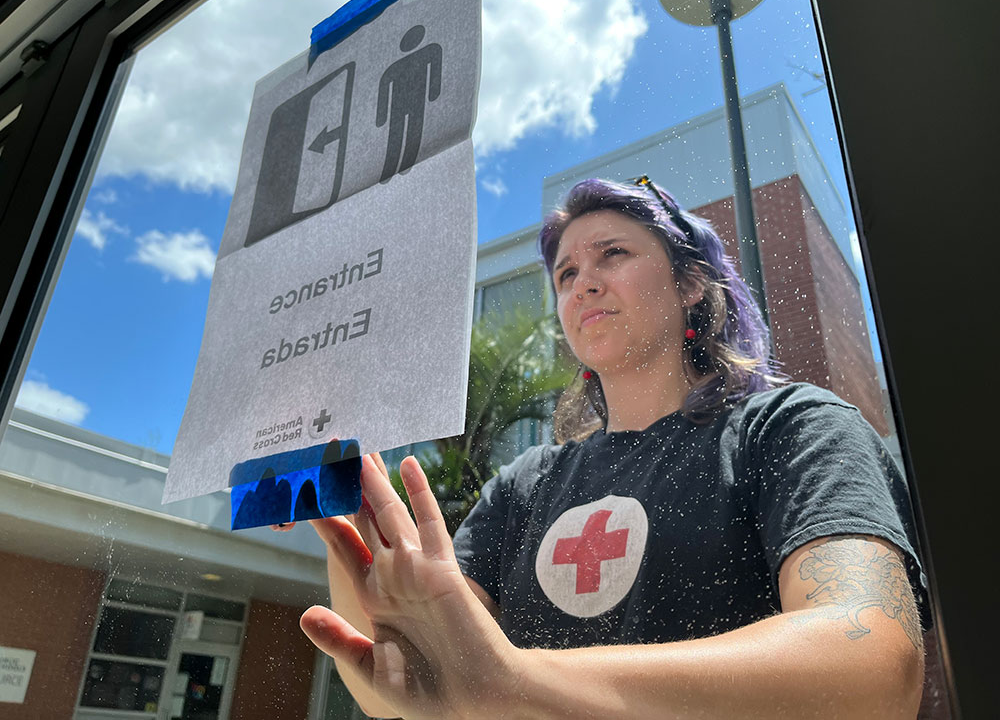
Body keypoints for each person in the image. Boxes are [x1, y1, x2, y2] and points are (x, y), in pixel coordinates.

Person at [279, 177, 929, 719]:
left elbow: (872, 661)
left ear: (691, 284)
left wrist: (513, 682)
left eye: (612, 254)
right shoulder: (525, 483)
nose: (582, 283)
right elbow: (402, 688)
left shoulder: (795, 429)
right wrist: (350, 504)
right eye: (565, 273)